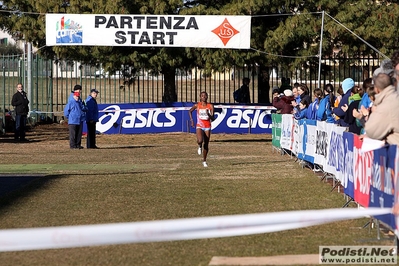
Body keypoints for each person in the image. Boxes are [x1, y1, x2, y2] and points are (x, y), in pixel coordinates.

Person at [364, 73, 399, 145]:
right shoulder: (395, 97)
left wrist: (373, 113)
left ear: (376, 89)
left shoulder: (387, 105)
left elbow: (371, 130)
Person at [188, 91, 215, 167]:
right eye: (202, 96)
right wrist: (192, 120)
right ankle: (199, 146)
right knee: (200, 140)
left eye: (205, 95)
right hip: (199, 125)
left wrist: (208, 114)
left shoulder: (210, 106)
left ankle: (204, 160)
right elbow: (190, 111)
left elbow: (213, 118)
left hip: (207, 126)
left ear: (207, 97)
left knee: (206, 144)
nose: (204, 97)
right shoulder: (197, 105)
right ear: (200, 97)